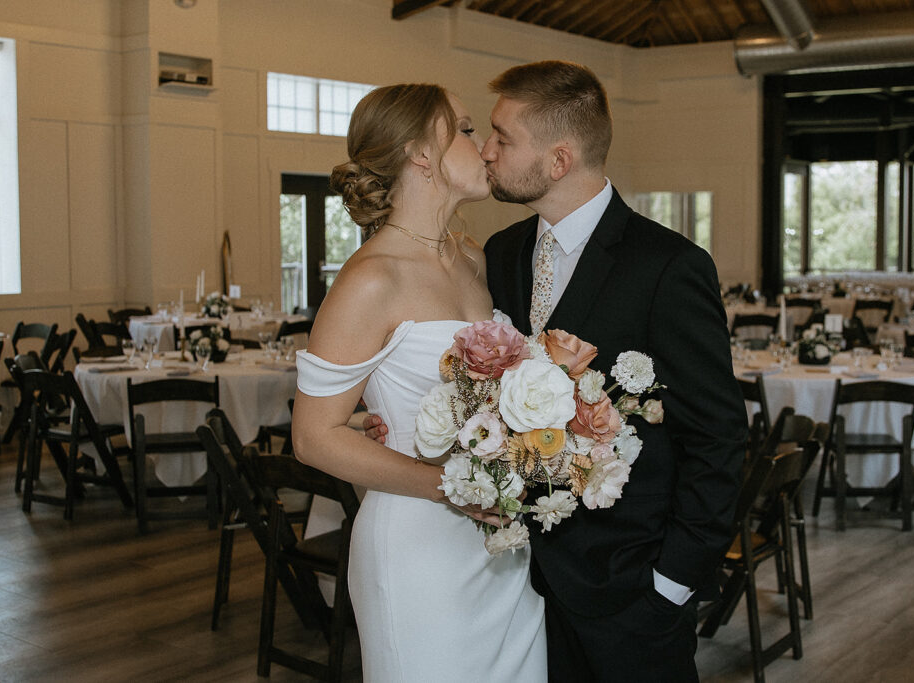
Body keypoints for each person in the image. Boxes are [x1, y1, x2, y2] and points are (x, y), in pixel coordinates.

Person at [365, 61, 747, 682]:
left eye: (502, 138)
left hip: (631, 591)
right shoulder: (503, 254)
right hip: (514, 582)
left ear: (559, 159)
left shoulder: (668, 267)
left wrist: (670, 585)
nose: (485, 151)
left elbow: (719, 438)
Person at [291, 84, 547, 682]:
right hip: (419, 548)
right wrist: (449, 487)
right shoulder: (371, 279)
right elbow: (312, 436)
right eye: (462, 128)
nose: (484, 146)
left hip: (502, 547)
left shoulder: (474, 259)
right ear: (420, 155)